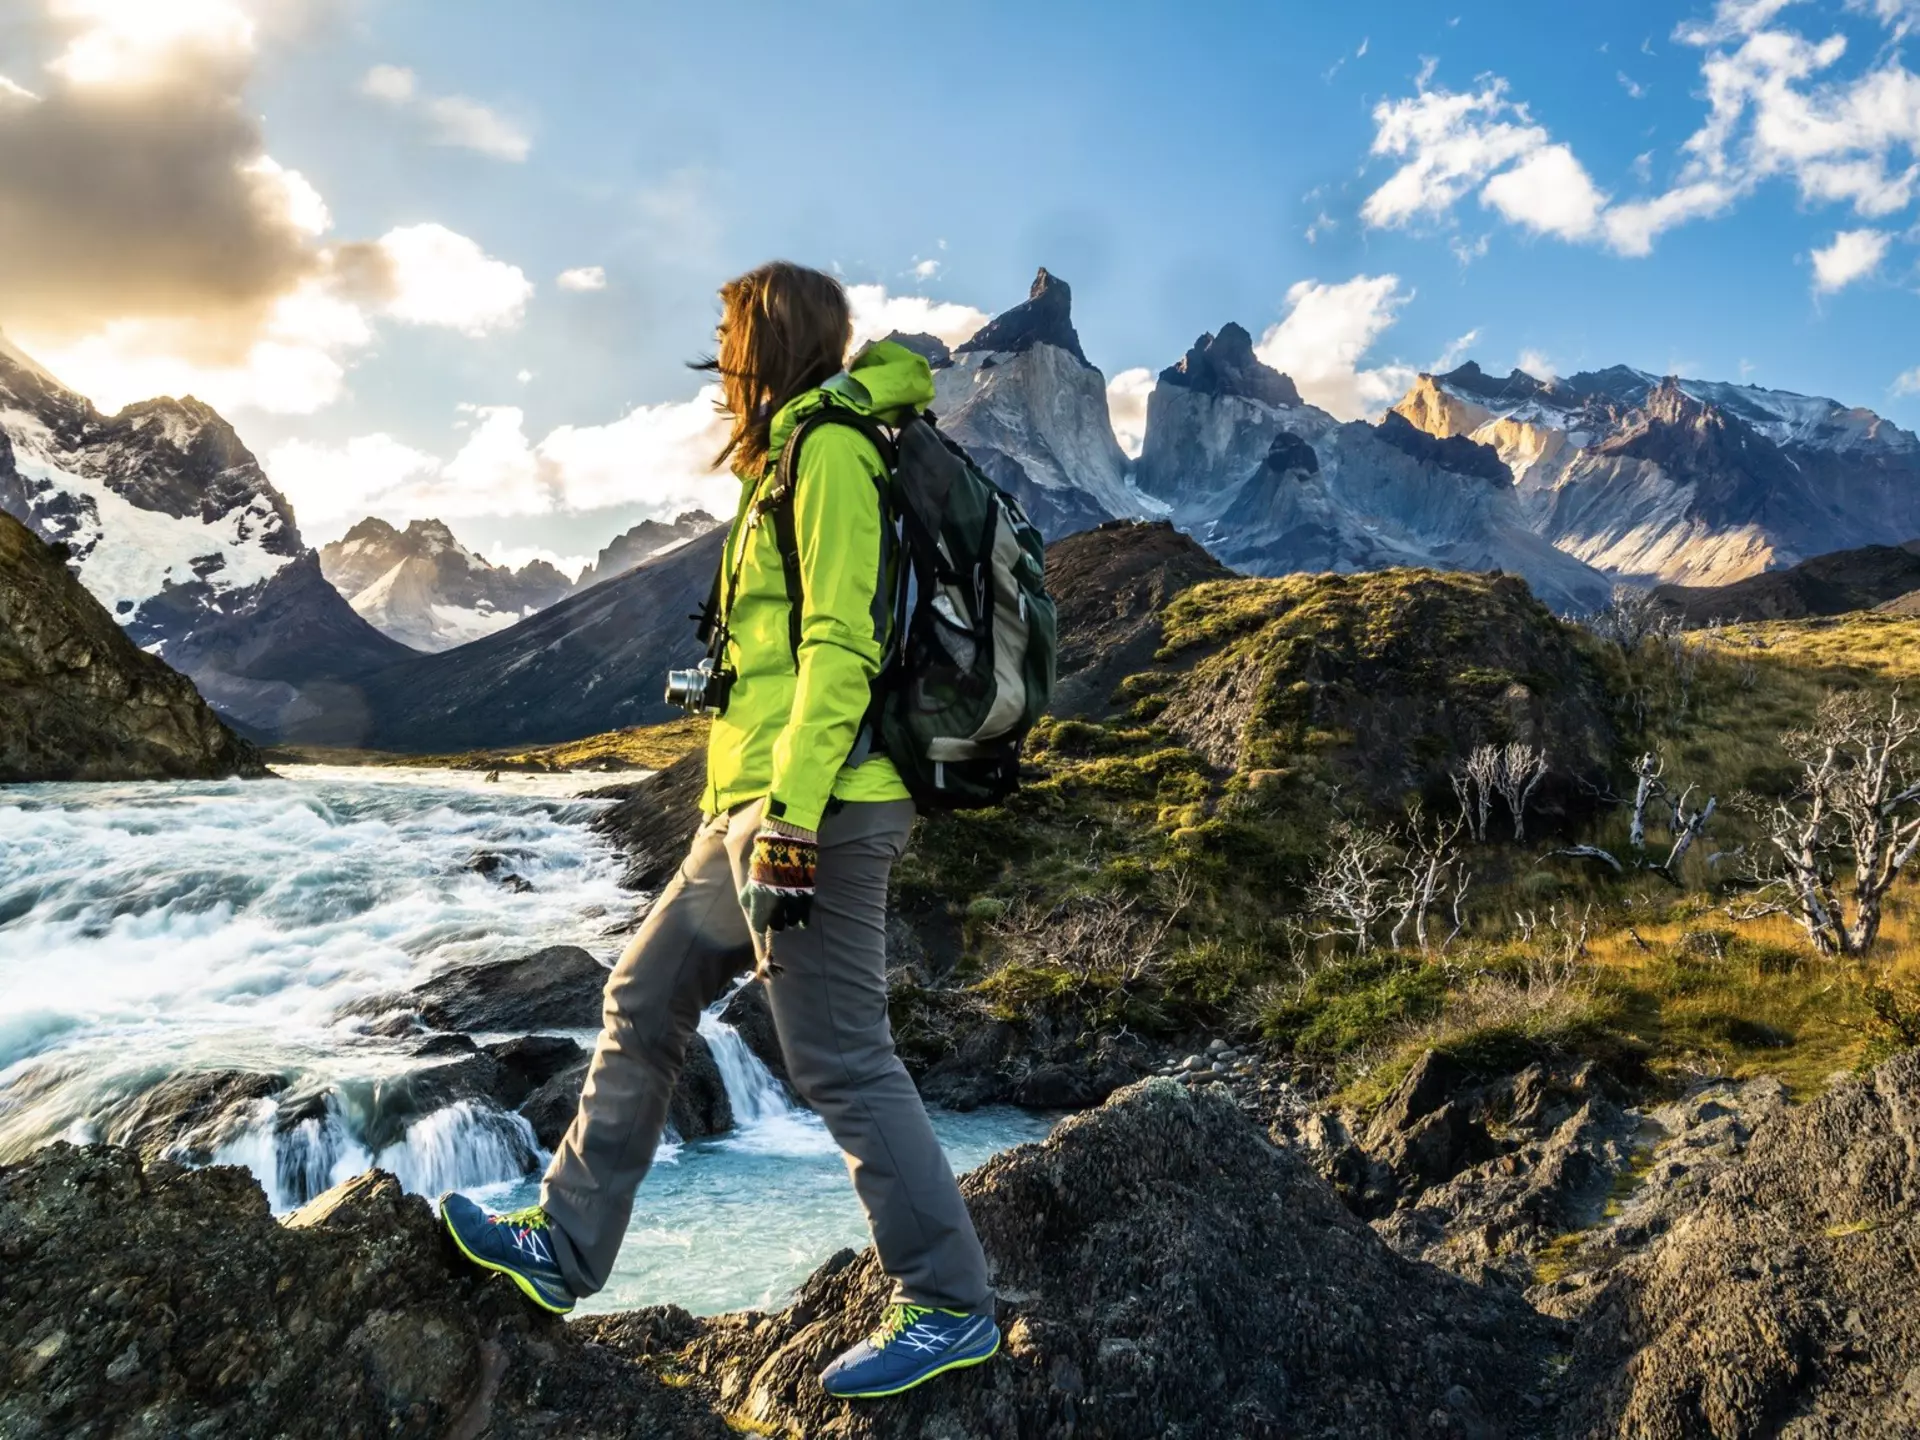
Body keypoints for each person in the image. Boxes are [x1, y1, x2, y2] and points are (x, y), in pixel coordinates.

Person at [437, 261, 998, 1400]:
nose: (720, 358)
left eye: (731, 335)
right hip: (746, 809)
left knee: (839, 1058)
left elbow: (841, 648)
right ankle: (564, 1245)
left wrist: (789, 821)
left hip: (819, 808)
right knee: (640, 1002)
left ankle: (950, 1304)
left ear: (768, 341)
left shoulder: (833, 452)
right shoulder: (789, 455)